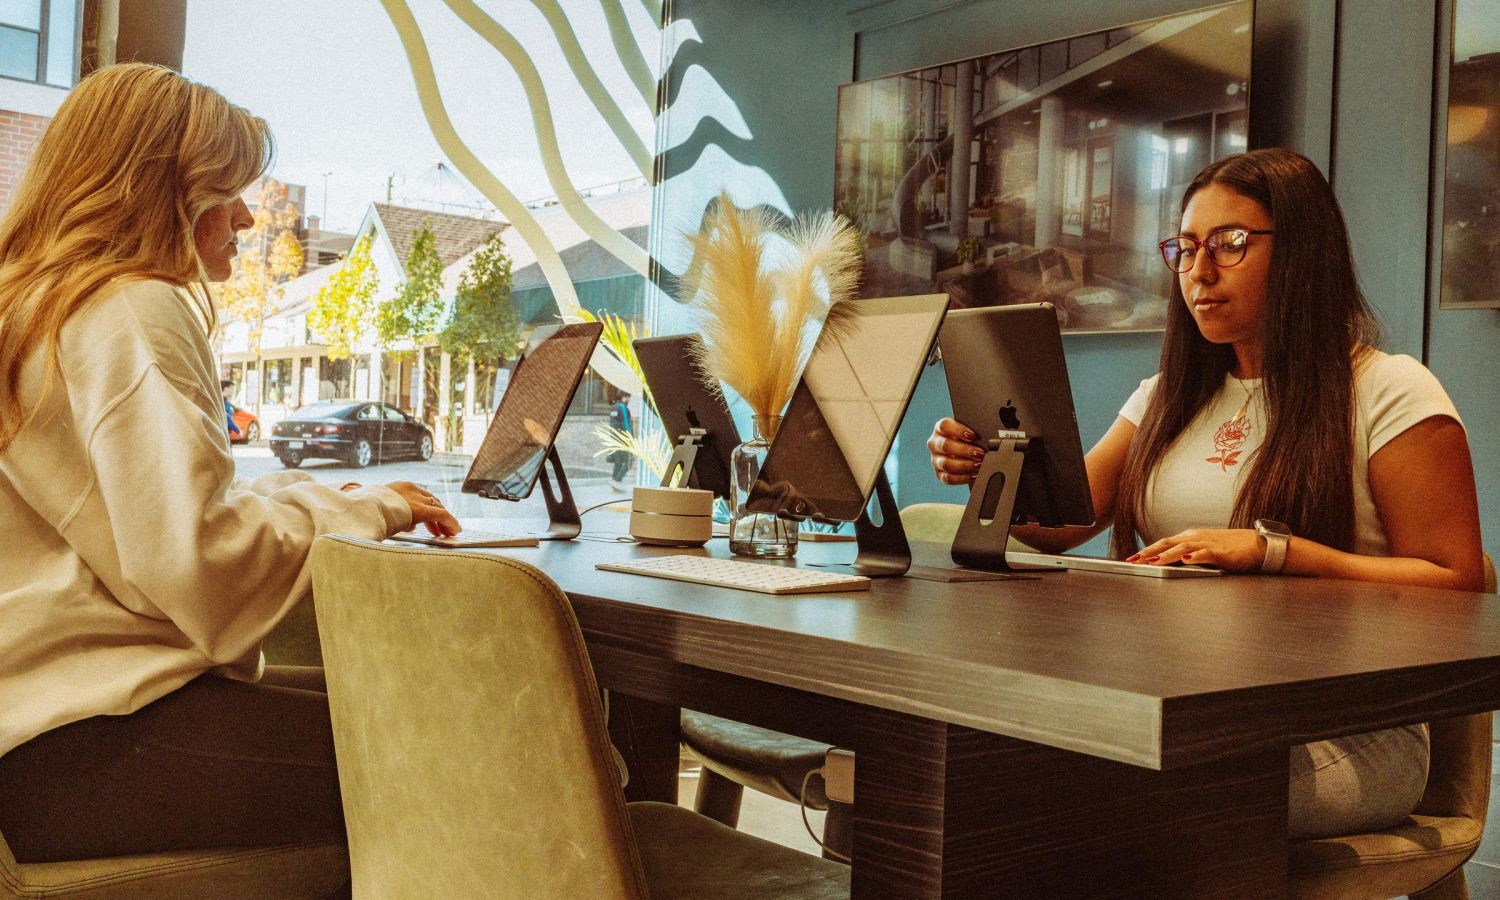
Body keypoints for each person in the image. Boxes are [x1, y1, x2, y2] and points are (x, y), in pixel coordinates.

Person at [928, 148, 1484, 840]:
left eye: (1230, 244)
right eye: (1186, 249)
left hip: (1346, 734)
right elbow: (1062, 523)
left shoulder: (1390, 391)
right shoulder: (1165, 397)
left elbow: (1458, 583)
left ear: (1304, 253)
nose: (1199, 271)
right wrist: (991, 468)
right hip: (1182, 709)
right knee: (977, 772)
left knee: (1075, 799)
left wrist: (1272, 550)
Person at [0, 63, 460, 864]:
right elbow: (201, 563)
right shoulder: (131, 306)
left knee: (417, 716)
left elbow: (134, 513)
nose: (247, 216)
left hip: (32, 741)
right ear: (158, 193)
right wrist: (366, 509)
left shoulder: (32, 306)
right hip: (90, 741)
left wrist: (316, 494)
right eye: (226, 192)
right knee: (511, 739)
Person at [608, 389, 633, 490]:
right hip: (623, 439)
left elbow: (613, 424)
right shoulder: (623, 407)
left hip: (614, 438)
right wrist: (630, 438)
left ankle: (615, 483)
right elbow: (626, 424)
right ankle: (616, 481)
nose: (628, 399)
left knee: (618, 462)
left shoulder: (613, 407)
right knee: (628, 461)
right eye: (628, 397)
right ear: (624, 396)